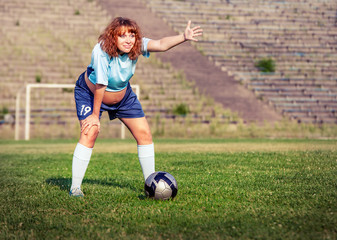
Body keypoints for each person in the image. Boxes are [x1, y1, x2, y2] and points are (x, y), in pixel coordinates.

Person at [69, 17, 203, 197]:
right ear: (112, 37)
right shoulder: (101, 51)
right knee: (90, 131)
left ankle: (152, 186)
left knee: (144, 134)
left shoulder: (135, 46)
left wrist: (183, 37)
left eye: (132, 35)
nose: (129, 40)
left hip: (124, 97)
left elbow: (161, 44)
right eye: (122, 36)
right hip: (91, 94)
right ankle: (75, 188)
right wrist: (94, 115)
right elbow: (101, 84)